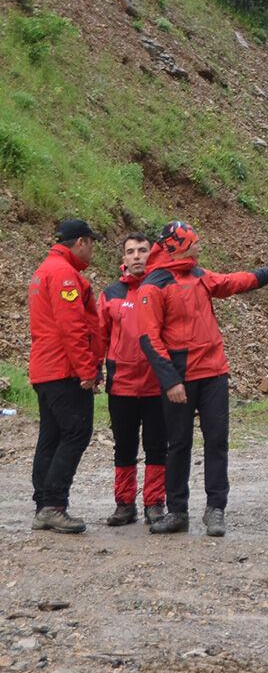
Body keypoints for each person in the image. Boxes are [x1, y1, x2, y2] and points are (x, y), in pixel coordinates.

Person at [137, 221, 268, 536]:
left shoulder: (198, 274)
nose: (200, 246)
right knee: (178, 444)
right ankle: (178, 511)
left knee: (217, 440)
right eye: (195, 242)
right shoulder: (153, 285)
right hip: (180, 377)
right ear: (180, 246)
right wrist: (170, 381)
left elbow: (232, 282)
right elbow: (149, 339)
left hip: (213, 372)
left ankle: (215, 509)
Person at [28, 219, 106, 534]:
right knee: (75, 433)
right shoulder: (64, 275)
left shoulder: (45, 270)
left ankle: (43, 506)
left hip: (46, 369)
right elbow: (72, 327)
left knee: (51, 437)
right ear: (80, 242)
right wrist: (88, 370)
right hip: (64, 370)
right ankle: (53, 506)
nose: (93, 250)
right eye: (92, 242)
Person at [98, 233, 167, 526]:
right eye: (131, 251)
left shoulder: (163, 288)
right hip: (121, 383)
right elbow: (99, 336)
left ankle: (154, 503)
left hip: (156, 383)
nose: (137, 256)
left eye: (142, 250)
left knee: (156, 445)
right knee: (124, 445)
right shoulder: (110, 294)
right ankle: (124, 504)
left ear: (151, 255)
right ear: (123, 259)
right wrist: (92, 371)